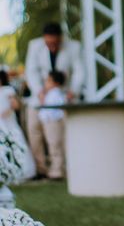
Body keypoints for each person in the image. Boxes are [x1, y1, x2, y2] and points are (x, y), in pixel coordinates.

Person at [25, 22, 84, 179]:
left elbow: (79, 71)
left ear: (61, 39)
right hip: (39, 98)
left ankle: (58, 169)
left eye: (55, 43)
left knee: (56, 134)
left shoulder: (73, 47)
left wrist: (73, 91)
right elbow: (31, 70)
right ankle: (40, 168)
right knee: (33, 130)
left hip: (62, 97)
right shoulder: (35, 46)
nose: (52, 46)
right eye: (48, 42)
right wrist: (39, 91)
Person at [0, 70, 36, 181]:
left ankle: (21, 171)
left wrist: (5, 113)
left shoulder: (7, 90)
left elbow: (15, 105)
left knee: (15, 144)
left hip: (8, 122)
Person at [37, 71, 67, 180]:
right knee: (52, 145)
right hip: (48, 123)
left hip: (53, 123)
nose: (46, 83)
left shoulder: (56, 94)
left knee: (55, 146)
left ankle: (57, 171)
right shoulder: (50, 94)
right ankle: (55, 169)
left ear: (56, 83)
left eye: (48, 81)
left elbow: (57, 110)